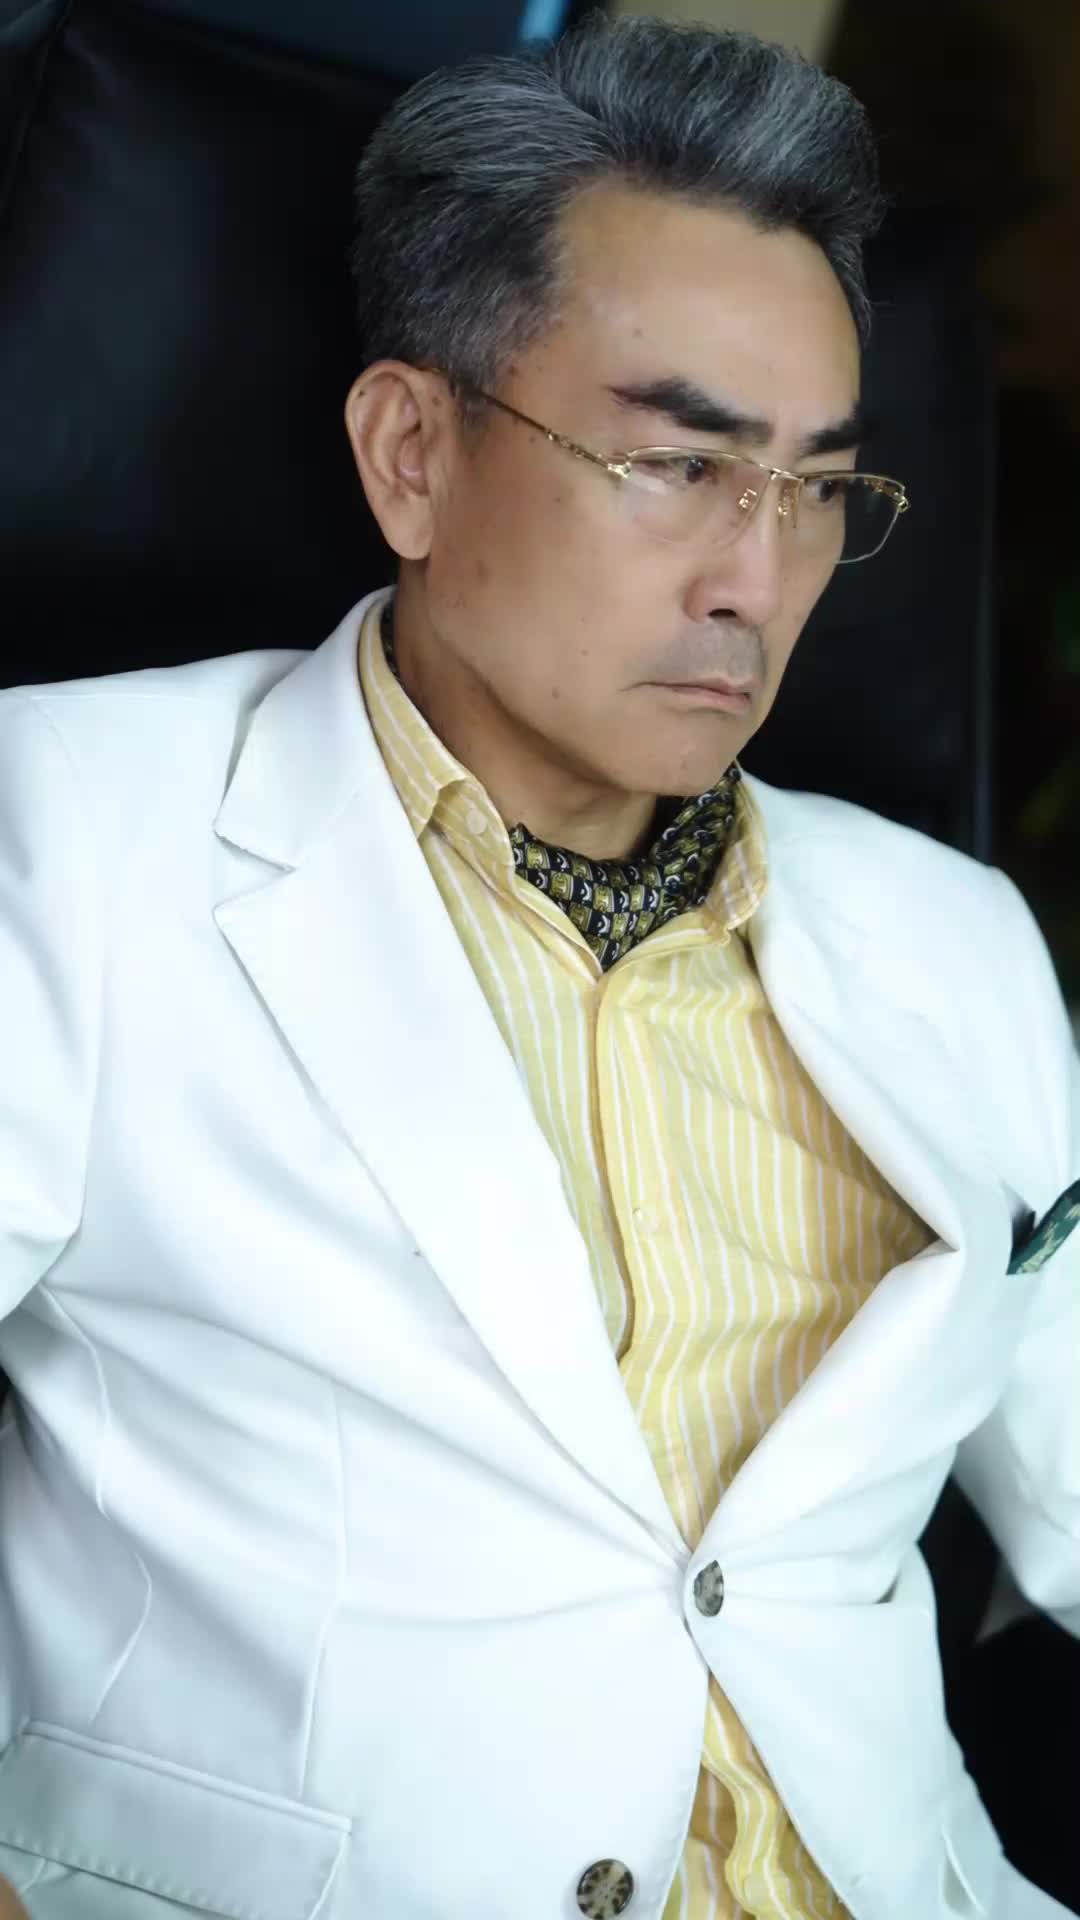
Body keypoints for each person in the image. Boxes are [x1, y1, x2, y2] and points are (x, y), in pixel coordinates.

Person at [0, 13, 1077, 1920]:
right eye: (676, 463)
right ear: (411, 454)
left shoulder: (949, 933)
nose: (758, 579)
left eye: (817, 487)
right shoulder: (70, 832)